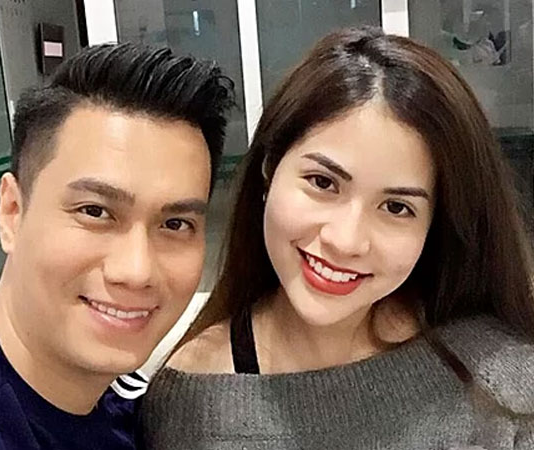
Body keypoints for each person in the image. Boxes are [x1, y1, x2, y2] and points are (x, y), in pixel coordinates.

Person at [138, 26, 534, 449]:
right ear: (270, 168)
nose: (346, 241)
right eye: (323, 182)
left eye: (396, 207)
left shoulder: (501, 377)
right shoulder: (191, 407)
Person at [0, 43, 233, 449]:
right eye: (95, 211)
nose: (136, 271)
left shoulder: (154, 422)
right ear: (12, 211)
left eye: (175, 224)